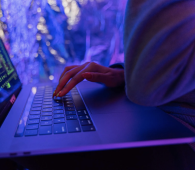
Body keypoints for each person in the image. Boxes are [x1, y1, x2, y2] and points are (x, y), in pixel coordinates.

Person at [53, 0, 195, 133]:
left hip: (180, 128)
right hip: (160, 114)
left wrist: (143, 79)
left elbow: (147, 90)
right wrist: (125, 75)